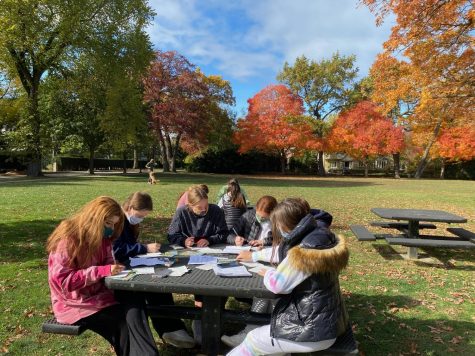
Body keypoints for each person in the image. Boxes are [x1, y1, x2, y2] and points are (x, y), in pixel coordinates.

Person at [228, 197, 350, 355]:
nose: (277, 229)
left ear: (286, 224)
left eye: (277, 225)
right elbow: (281, 252)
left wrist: (269, 273)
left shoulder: (303, 253)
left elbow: (278, 285)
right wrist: (254, 256)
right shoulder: (317, 237)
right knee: (268, 345)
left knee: (253, 339)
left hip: (311, 330)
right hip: (327, 323)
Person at [46, 196, 159, 356]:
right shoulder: (68, 239)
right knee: (122, 323)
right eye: (108, 223)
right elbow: (63, 281)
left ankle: (147, 353)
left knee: (135, 301)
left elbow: (108, 262)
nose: (111, 229)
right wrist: (103, 271)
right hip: (75, 302)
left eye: (114, 224)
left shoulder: (104, 238)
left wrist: (116, 269)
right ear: (95, 218)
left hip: (100, 294)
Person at [113, 192, 195, 349]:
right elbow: (115, 249)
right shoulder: (117, 221)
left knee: (159, 283)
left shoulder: (128, 222)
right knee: (152, 287)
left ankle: (172, 329)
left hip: (131, 265)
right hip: (119, 270)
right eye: (140, 215)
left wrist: (144, 250)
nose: (141, 219)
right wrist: (144, 248)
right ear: (130, 208)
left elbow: (126, 246)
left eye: (144, 216)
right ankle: (169, 329)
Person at [167, 185, 228, 343]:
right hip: (190, 255)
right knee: (197, 282)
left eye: (206, 205)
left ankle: (214, 317)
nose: (204, 210)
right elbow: (172, 234)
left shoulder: (216, 211)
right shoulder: (182, 212)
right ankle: (200, 318)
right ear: (189, 205)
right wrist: (183, 240)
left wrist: (210, 239)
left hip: (214, 253)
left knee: (220, 282)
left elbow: (223, 233)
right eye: (199, 207)